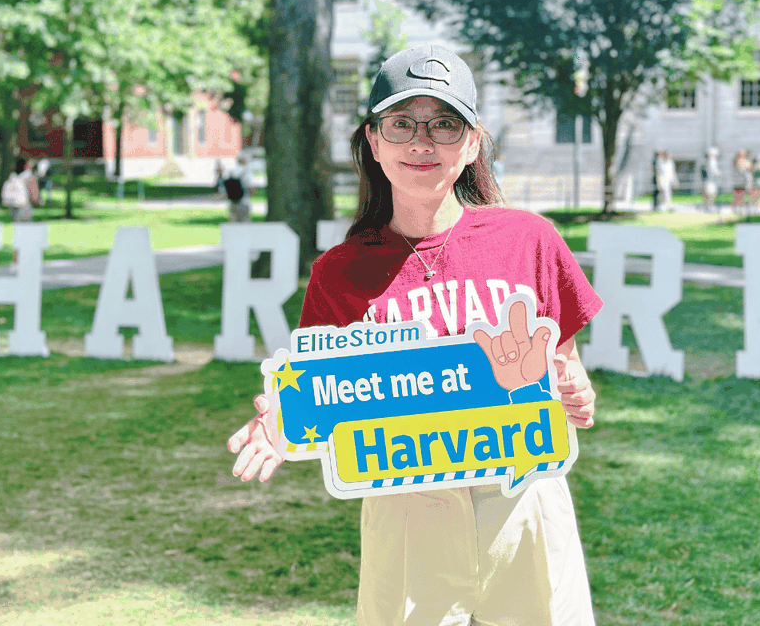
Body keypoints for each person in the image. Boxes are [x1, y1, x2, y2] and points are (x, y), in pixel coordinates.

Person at [227, 44, 602, 626]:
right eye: (401, 124)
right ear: (374, 142)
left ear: (473, 142)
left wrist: (574, 387)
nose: (422, 143)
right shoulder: (339, 271)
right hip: (407, 512)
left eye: (444, 124)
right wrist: (283, 423)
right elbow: (322, 394)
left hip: (523, 498)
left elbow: (564, 361)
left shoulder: (529, 239)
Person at [224, 153, 253, 222]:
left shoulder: (231, 172)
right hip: (244, 201)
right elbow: (251, 188)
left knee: (233, 224)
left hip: (232, 202)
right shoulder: (247, 172)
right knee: (245, 224)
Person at [700, 148, 721, 213]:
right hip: (709, 180)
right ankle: (708, 207)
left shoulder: (711, 161)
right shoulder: (711, 161)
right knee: (710, 194)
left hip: (712, 180)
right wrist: (718, 173)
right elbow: (713, 170)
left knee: (711, 194)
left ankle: (708, 206)